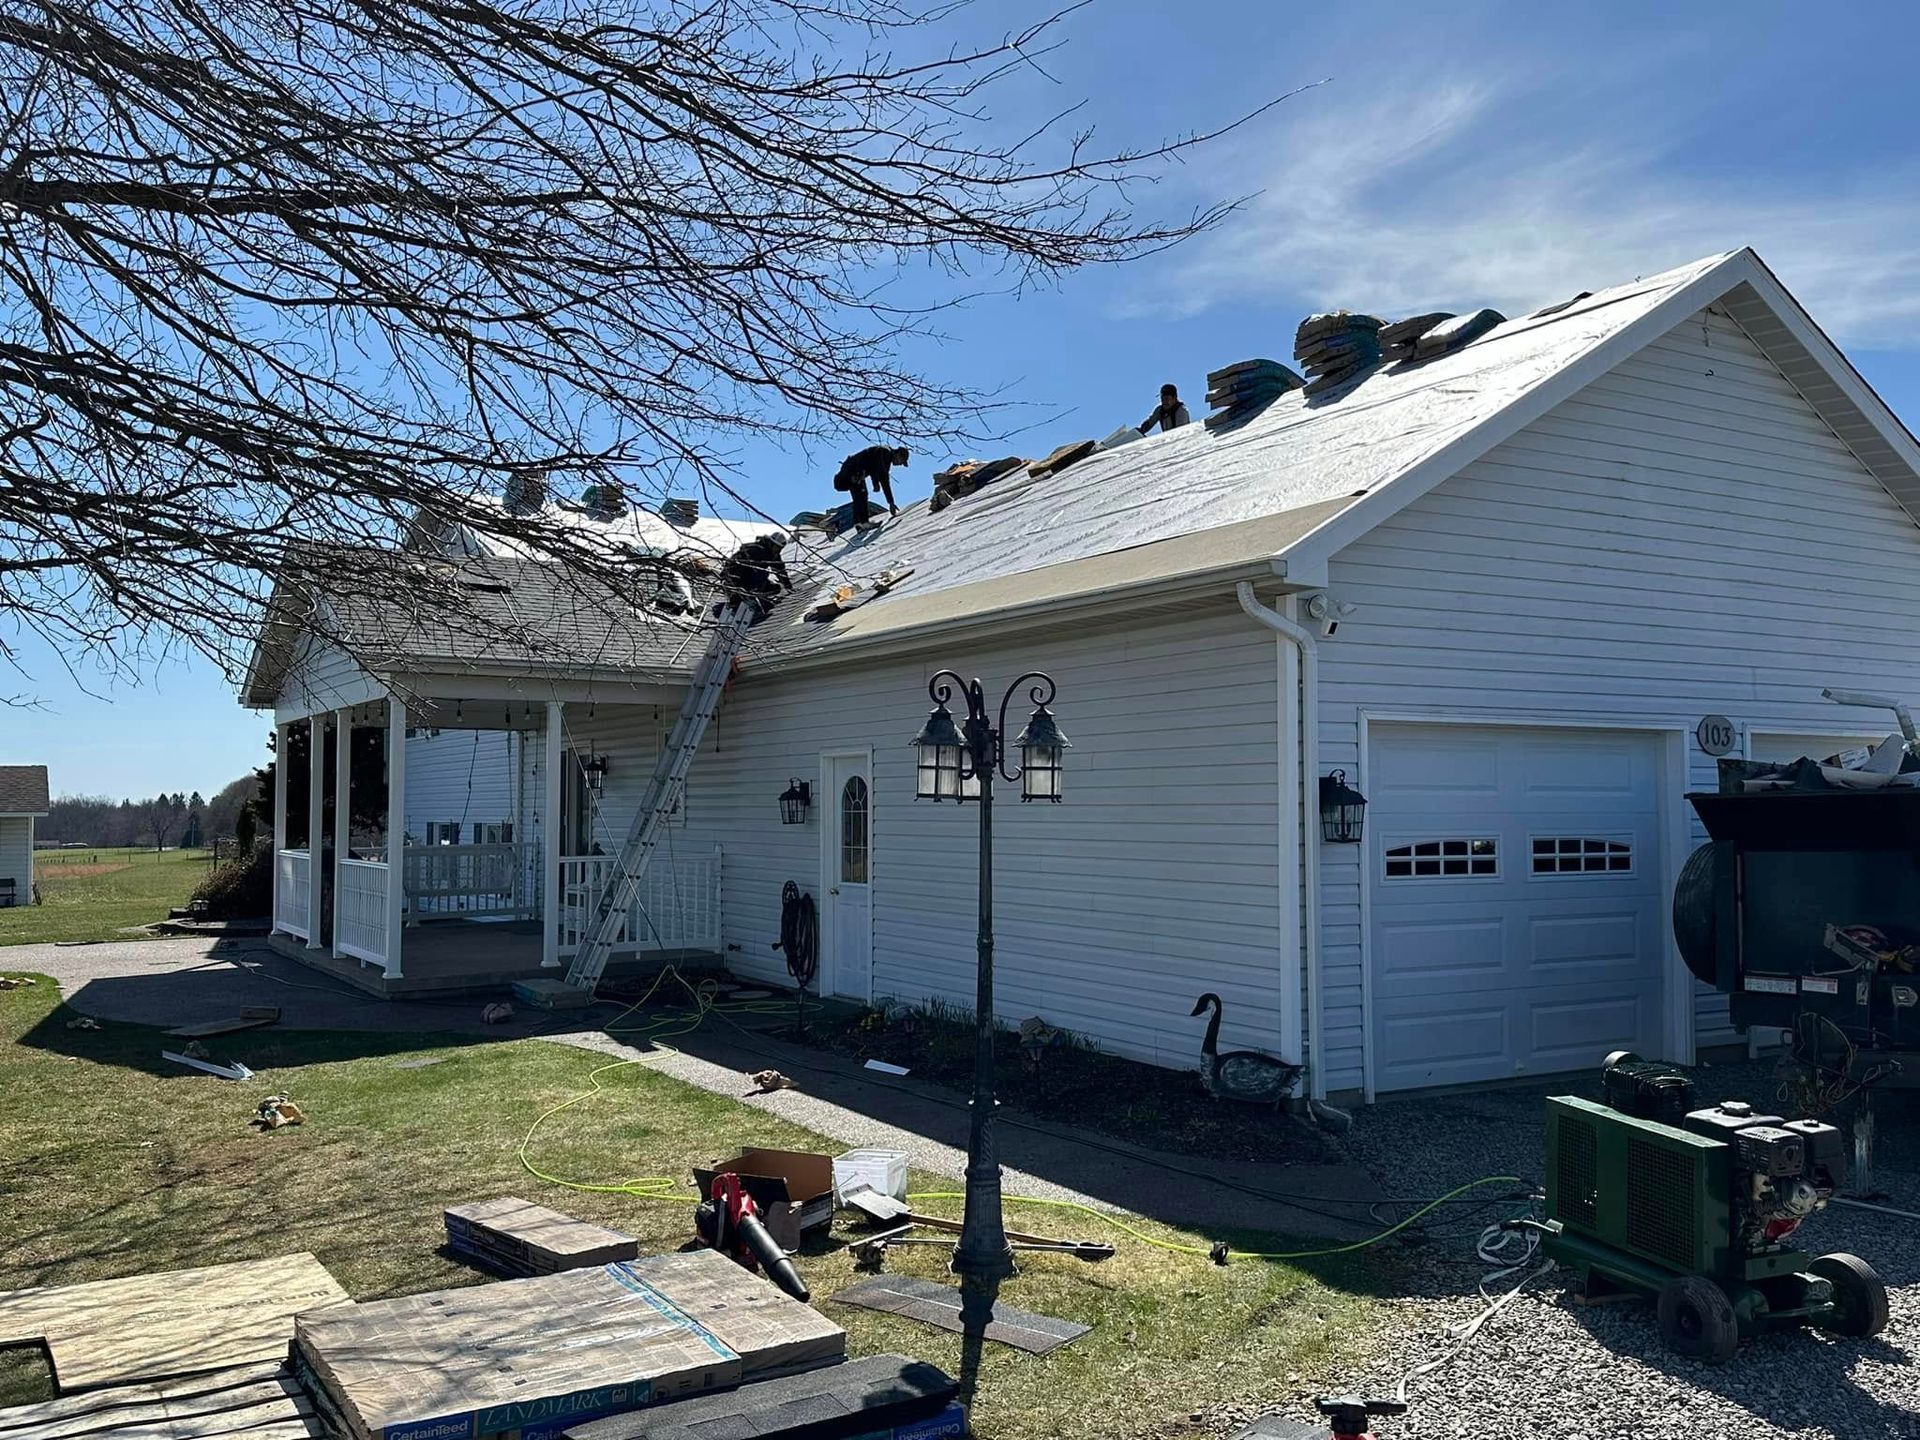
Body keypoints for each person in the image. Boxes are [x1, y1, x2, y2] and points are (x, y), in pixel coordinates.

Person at [716, 531, 792, 622]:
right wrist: (737, 589)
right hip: (734, 581)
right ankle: (738, 604)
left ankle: (751, 600)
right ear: (771, 544)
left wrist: (788, 586)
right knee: (761, 574)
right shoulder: (756, 551)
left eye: (780, 548)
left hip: (745, 581)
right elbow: (736, 570)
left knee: (774, 588)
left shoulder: (771, 554)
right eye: (777, 547)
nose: (778, 550)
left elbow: (780, 570)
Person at [833, 445, 909, 529]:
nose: (900, 464)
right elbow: (877, 468)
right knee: (862, 495)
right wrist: (875, 483)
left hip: (851, 469)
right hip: (853, 469)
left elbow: (882, 477)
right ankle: (864, 523)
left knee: (859, 496)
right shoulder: (885, 451)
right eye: (901, 461)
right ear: (898, 454)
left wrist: (890, 502)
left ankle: (859, 524)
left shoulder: (885, 456)